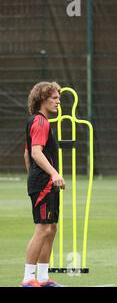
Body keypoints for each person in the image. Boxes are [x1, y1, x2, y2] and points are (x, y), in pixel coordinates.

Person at [21, 82, 65, 287]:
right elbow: (36, 152)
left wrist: (34, 176)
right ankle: (28, 279)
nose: (58, 101)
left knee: (51, 228)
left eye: (58, 98)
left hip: (46, 182)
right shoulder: (40, 122)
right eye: (54, 98)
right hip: (44, 183)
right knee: (42, 229)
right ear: (42, 99)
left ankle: (43, 278)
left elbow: (27, 153)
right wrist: (52, 173)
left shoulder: (41, 122)